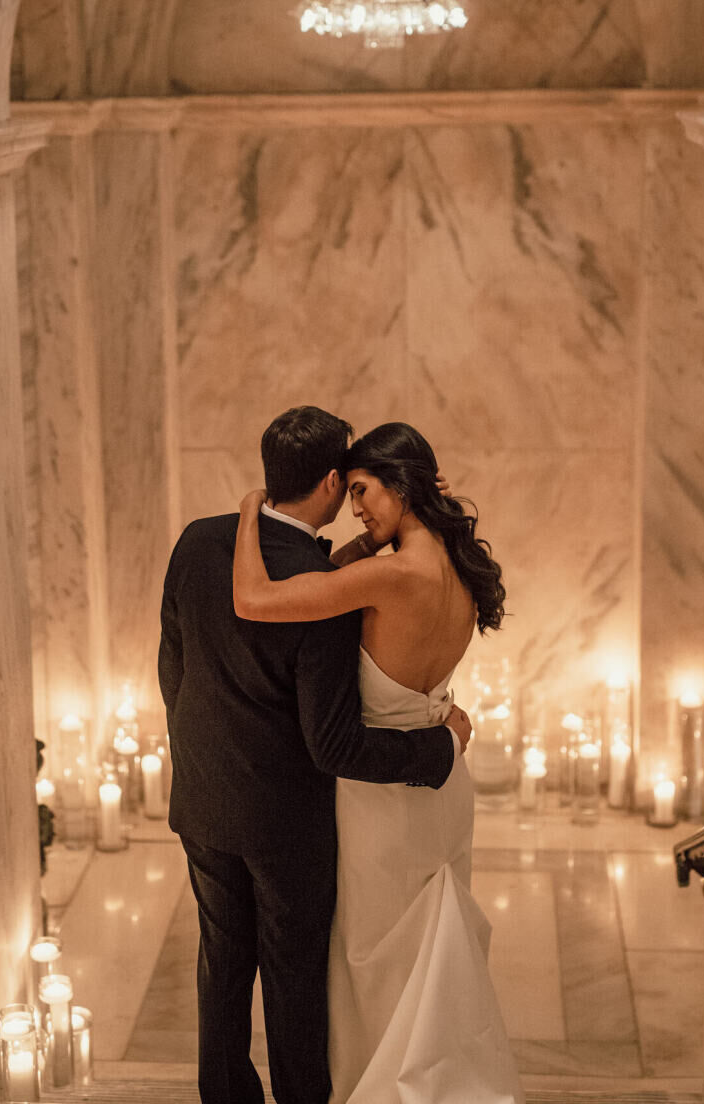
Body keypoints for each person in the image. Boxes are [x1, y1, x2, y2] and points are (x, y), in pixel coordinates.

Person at [158, 406, 471, 1104]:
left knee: (222, 966)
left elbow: (171, 668)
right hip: (287, 826)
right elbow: (332, 744)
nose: (355, 503)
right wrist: (438, 746)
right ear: (332, 482)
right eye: (351, 488)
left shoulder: (198, 541)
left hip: (203, 801)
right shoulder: (326, 591)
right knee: (295, 976)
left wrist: (197, 757)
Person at [233, 421, 524, 1104]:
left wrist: (249, 512)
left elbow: (255, 599)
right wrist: (387, 524)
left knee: (374, 963)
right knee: (427, 957)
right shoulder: (455, 569)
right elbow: (347, 574)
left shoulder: (389, 576)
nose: (356, 507)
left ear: (401, 484)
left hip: (380, 800)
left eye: (364, 491)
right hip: (442, 784)